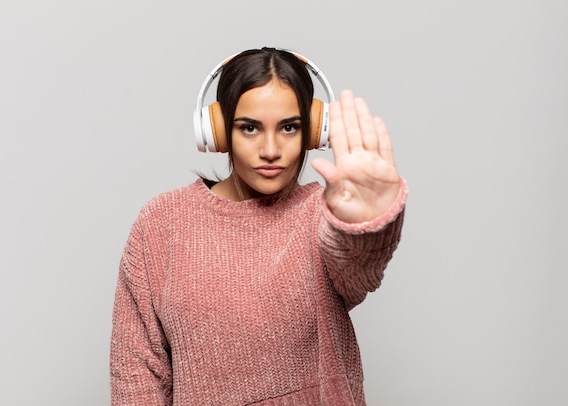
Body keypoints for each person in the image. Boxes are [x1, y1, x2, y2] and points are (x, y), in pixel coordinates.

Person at [110, 47, 407, 405]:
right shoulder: (162, 223)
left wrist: (365, 223)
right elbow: (136, 371)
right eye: (249, 128)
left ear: (314, 132)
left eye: (289, 127)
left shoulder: (322, 213)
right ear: (217, 132)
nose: (271, 149)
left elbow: (358, 270)